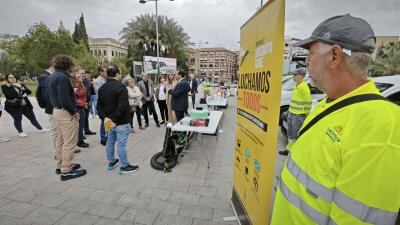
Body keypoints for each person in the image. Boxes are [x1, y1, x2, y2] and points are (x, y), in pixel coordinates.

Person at [270, 15, 400, 225]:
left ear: (334, 56)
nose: (306, 62)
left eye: (311, 54)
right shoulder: (327, 103)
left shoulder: (382, 127)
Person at [47, 55, 86, 181]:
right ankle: (66, 171)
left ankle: (61, 165)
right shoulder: (63, 77)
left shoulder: (52, 76)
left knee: (61, 140)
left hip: (57, 110)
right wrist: (74, 112)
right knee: (70, 142)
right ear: (67, 64)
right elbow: (65, 99)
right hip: (65, 112)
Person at [97, 65, 139, 174]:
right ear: (116, 74)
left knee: (110, 142)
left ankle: (111, 162)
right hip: (120, 122)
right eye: (120, 73)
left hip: (109, 122)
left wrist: (106, 118)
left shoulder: (102, 88)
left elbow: (99, 107)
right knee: (121, 144)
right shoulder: (121, 87)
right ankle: (124, 166)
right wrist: (114, 120)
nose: (121, 75)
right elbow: (122, 106)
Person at [278, 67, 311, 156]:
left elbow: (308, 103)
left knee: (296, 135)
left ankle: (295, 154)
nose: (293, 76)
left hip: (299, 116)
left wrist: (307, 115)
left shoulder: (304, 87)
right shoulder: (297, 86)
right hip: (292, 113)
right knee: (290, 135)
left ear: (301, 76)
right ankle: (288, 151)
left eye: (295, 75)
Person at [37, 60, 56, 146]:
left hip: (56, 107)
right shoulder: (44, 76)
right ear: (53, 65)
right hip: (53, 108)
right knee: (56, 131)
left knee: (61, 131)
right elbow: (47, 94)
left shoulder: (52, 75)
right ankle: (58, 153)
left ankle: (65, 149)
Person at [72, 70, 90, 148]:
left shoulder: (81, 84)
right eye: (78, 77)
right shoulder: (74, 86)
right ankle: (79, 141)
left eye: (81, 76)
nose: (81, 77)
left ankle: (80, 139)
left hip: (82, 106)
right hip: (78, 107)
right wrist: (84, 103)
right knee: (79, 125)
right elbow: (74, 99)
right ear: (74, 78)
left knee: (81, 125)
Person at [94, 66, 107, 145]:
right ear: (100, 72)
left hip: (107, 103)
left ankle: (107, 136)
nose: (106, 73)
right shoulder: (97, 81)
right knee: (103, 121)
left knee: (107, 121)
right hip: (102, 103)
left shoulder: (106, 79)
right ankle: (103, 138)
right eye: (105, 71)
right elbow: (99, 93)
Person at [82, 70, 96, 136]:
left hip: (87, 101)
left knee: (86, 117)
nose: (84, 75)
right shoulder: (79, 82)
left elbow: (90, 92)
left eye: (84, 74)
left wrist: (89, 101)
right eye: (82, 73)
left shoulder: (86, 81)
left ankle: (86, 130)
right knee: (82, 117)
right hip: (81, 102)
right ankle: (80, 134)